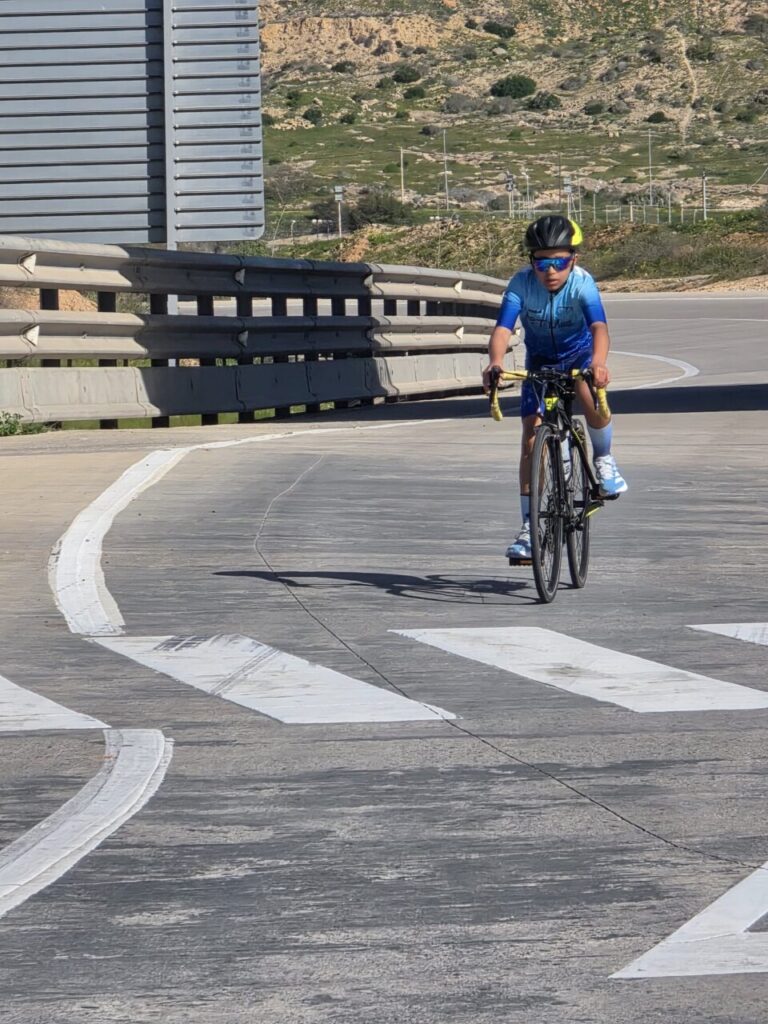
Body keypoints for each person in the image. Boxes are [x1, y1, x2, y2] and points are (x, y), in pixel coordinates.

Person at [482, 215, 627, 561]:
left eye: (559, 262)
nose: (550, 270)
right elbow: (503, 329)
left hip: (579, 357)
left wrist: (600, 362)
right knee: (530, 441)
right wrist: (495, 362)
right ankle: (529, 531)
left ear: (573, 260)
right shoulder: (519, 284)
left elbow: (599, 327)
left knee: (587, 391)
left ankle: (604, 459)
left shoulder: (583, 283)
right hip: (540, 362)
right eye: (541, 262)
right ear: (531, 261)